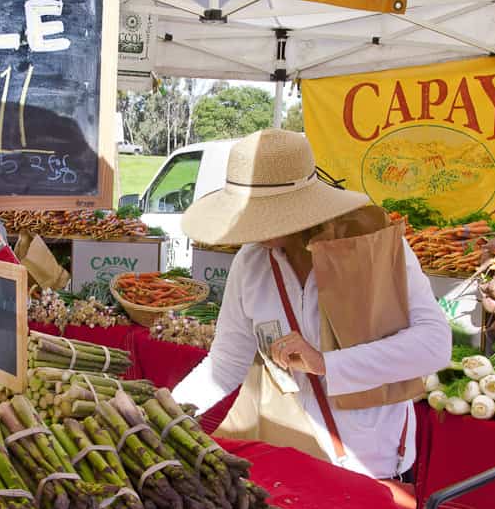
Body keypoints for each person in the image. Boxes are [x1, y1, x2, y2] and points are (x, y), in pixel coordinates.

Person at [171, 129, 452, 481]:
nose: (254, 228)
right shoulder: (251, 262)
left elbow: (434, 345)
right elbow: (226, 363)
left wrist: (326, 363)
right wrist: (166, 413)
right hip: (290, 454)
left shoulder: (374, 251)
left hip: (370, 461)